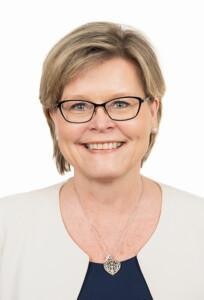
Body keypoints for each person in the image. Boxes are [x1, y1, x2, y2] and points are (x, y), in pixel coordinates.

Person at [0, 21, 203, 300]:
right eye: (79, 106)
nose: (101, 123)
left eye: (121, 103)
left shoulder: (199, 223)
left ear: (153, 113)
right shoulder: (6, 226)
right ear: (53, 118)